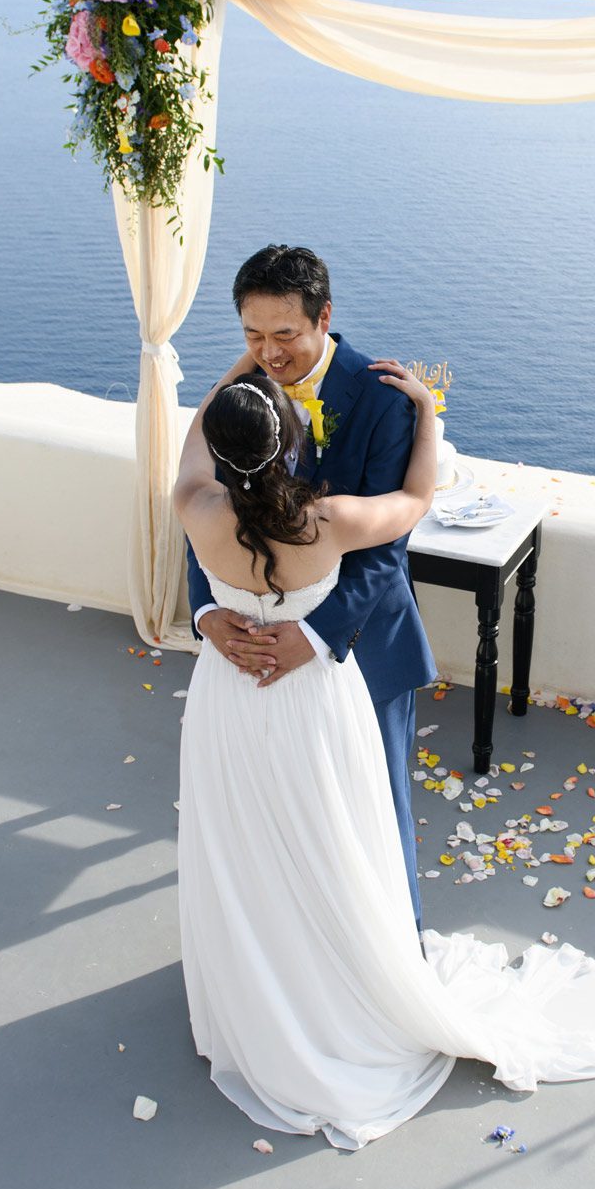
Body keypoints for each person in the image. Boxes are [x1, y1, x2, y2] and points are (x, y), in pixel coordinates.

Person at [171, 346, 595, 1150]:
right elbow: (416, 499)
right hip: (311, 697)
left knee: (245, 841)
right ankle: (333, 990)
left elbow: (195, 447)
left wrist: (232, 375)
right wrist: (426, 410)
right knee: (329, 836)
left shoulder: (198, 509)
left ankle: (262, 998)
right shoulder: (328, 520)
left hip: (230, 697)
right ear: (288, 443)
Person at [185, 244, 435, 935]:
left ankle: (396, 953)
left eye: (284, 335)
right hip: (253, 657)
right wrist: (206, 610)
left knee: (376, 811)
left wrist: (317, 636)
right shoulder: (247, 392)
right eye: (252, 336)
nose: (268, 353)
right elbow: (203, 512)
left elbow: (385, 551)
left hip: (361, 651)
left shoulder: (384, 402)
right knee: (267, 818)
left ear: (324, 317)